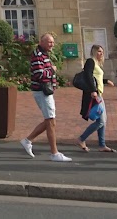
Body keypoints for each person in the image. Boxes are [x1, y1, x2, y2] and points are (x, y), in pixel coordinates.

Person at [20, 33, 71, 162]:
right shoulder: (37, 55)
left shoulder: (43, 54)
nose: (52, 45)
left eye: (53, 42)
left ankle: (28, 141)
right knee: (51, 121)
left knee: (50, 121)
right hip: (42, 92)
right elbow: (39, 74)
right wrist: (52, 70)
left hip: (46, 92)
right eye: (49, 42)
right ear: (41, 42)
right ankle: (54, 153)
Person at [77, 44, 116, 153]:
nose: (101, 53)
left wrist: (106, 81)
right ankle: (81, 139)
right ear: (94, 52)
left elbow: (96, 78)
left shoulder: (97, 63)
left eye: (102, 52)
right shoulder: (90, 61)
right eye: (99, 51)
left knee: (102, 120)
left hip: (99, 94)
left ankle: (102, 145)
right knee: (101, 121)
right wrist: (93, 90)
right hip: (94, 95)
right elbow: (88, 76)